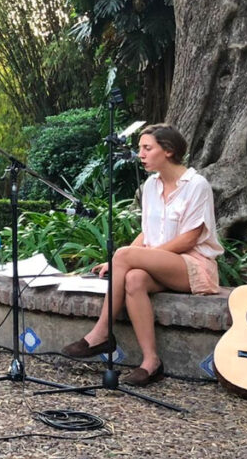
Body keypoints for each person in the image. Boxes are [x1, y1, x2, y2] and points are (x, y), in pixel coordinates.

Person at [61, 123, 223, 386]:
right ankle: (151, 362)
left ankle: (101, 333)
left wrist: (137, 256)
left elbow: (190, 238)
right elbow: (147, 233)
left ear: (168, 151)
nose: (140, 154)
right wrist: (125, 260)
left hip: (193, 266)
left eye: (147, 148)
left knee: (127, 258)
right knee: (134, 278)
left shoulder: (196, 185)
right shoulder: (150, 186)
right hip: (161, 263)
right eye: (140, 149)